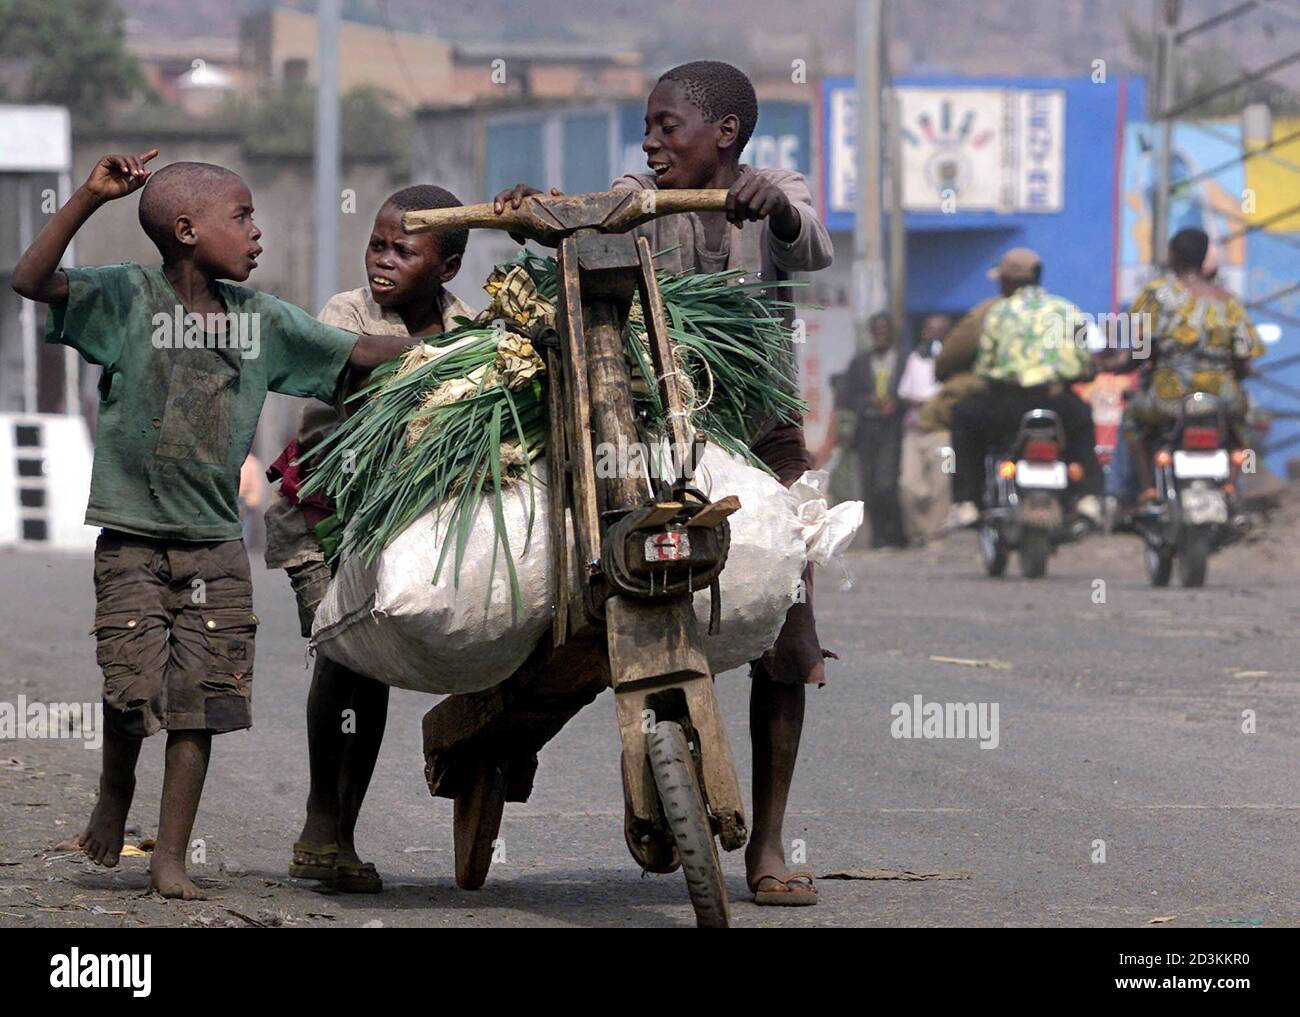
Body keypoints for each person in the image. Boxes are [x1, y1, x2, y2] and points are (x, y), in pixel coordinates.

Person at [11, 152, 414, 899]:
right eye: (244, 216)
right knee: (133, 690)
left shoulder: (261, 322)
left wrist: (451, 347)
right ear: (189, 230)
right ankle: (112, 790)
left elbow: (357, 352)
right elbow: (30, 280)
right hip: (132, 539)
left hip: (218, 549)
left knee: (201, 702)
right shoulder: (126, 299)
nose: (258, 232)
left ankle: (170, 857)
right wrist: (90, 199)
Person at [494, 59, 833, 905]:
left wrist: (775, 206)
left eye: (666, 126)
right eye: (646, 127)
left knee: (789, 638)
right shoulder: (636, 192)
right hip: (658, 432)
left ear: (724, 135)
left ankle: (770, 841)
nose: (650, 142)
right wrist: (541, 214)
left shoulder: (773, 189)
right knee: (611, 590)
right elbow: (593, 215)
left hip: (764, 438)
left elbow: (813, 239)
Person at [264, 185, 474, 893]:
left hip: (396, 521)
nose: (382, 260)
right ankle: (321, 826)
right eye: (377, 244)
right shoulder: (349, 311)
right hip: (323, 518)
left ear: (445, 269)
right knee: (343, 654)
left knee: (372, 668)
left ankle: (338, 833)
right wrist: (447, 357)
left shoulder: (468, 324)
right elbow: (360, 361)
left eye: (402, 250)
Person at [946, 248, 1104, 530]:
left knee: (963, 417)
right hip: (1058, 404)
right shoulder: (1066, 309)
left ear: (1006, 282)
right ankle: (1090, 498)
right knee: (1083, 422)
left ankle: (966, 502)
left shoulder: (997, 313)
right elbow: (1084, 363)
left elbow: (985, 367)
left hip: (1008, 406)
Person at [1112, 228, 1263, 501]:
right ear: (1204, 257)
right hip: (1221, 399)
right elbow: (1243, 361)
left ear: (1173, 257)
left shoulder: (1156, 296)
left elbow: (1140, 352)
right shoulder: (1227, 302)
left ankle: (1145, 488)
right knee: (1242, 427)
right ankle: (1231, 484)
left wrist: (1119, 365)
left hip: (1168, 399)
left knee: (1132, 418)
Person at [832, 312, 907, 548]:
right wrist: (869, 402)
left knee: (887, 483)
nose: (881, 335)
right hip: (867, 430)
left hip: (894, 429)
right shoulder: (860, 363)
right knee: (870, 484)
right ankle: (878, 536)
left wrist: (897, 402)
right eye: (877, 331)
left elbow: (916, 389)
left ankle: (896, 533)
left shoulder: (905, 360)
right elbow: (847, 396)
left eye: (886, 330)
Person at [897, 313, 953, 543]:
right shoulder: (915, 358)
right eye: (927, 328)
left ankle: (935, 533)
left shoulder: (950, 361)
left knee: (942, 483)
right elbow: (904, 391)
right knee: (909, 483)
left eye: (935, 329)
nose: (929, 333)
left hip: (942, 430)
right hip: (915, 429)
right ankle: (919, 530)